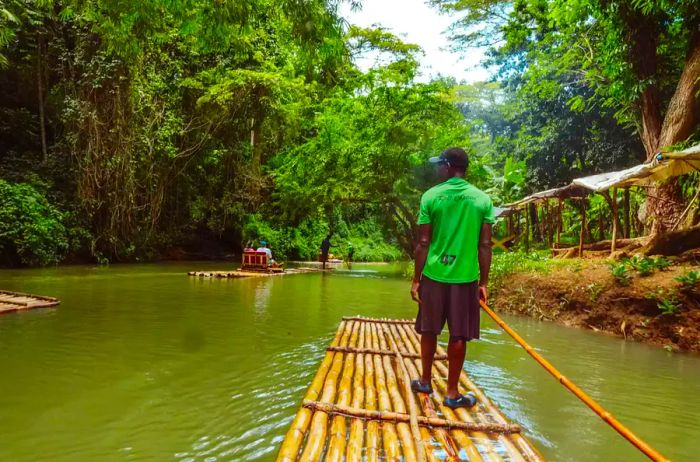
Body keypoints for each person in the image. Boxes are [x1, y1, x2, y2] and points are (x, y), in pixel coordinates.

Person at [410, 147, 495, 409]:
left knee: (429, 328)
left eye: (439, 165)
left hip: (434, 275)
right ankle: (452, 393)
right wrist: (483, 283)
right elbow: (485, 245)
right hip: (465, 278)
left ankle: (425, 380)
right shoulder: (482, 200)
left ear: (447, 166)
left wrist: (416, 279)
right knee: (459, 335)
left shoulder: (431, 196)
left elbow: (424, 242)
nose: (437, 170)